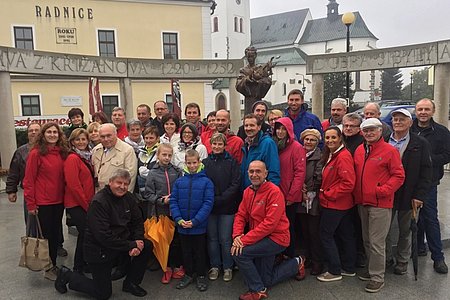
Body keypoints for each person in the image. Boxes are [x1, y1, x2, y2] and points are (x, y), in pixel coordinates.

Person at [55, 169, 152, 299]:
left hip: (120, 243)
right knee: (103, 293)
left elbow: (137, 222)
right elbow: (103, 236)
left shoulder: (129, 198)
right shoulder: (99, 202)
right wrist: (131, 244)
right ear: (110, 182)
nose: (122, 187)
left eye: (125, 184)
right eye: (119, 183)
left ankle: (131, 283)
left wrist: (138, 242)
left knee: (146, 245)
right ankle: (67, 275)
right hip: (99, 250)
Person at [232, 161, 305, 300]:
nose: (254, 174)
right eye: (251, 171)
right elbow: (241, 215)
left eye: (258, 171)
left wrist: (243, 240)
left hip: (276, 239)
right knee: (266, 280)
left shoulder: (274, 192)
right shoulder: (248, 191)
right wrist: (237, 235)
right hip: (259, 238)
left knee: (240, 253)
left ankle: (257, 290)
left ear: (266, 173)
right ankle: (296, 263)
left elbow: (269, 224)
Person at [353, 118, 405, 293]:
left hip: (380, 204)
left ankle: (377, 277)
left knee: (377, 242)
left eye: (372, 130)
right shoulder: (360, 150)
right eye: (366, 130)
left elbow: (399, 175)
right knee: (367, 240)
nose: (368, 133)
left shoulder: (390, 151)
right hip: (362, 202)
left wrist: (383, 190)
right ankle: (371, 269)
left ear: (380, 131)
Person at [385, 108, 432, 275]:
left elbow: (427, 171)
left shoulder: (419, 143)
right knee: (384, 230)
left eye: (402, 119)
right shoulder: (384, 140)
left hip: (409, 193)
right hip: (387, 194)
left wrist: (420, 195)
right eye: (395, 119)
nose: (397, 122)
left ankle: (403, 260)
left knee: (406, 230)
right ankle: (387, 258)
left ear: (410, 123)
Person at [23, 122, 69, 280]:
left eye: (55, 132)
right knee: (46, 236)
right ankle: (48, 267)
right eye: (49, 132)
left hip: (59, 201)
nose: (52, 135)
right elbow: (28, 180)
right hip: (43, 202)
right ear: (43, 134)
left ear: (59, 134)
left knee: (55, 234)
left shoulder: (62, 152)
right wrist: (31, 204)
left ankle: (52, 264)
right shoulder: (36, 153)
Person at [411, 98, 449, 274]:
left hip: (429, 182)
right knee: (410, 218)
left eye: (427, 109)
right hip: (408, 181)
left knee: (430, 218)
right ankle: (418, 247)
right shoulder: (409, 128)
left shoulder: (441, 132)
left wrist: (427, 161)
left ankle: (438, 257)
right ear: (415, 111)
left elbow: (447, 154)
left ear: (433, 111)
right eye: (420, 109)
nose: (423, 112)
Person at [170, 149, 214, 291]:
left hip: (198, 225)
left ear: (199, 162)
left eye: (194, 162)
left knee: (199, 251)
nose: (192, 166)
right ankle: (189, 273)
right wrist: (178, 219)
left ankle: (201, 275)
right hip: (182, 224)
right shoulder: (179, 181)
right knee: (186, 251)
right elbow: (174, 201)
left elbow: (208, 203)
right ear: (185, 163)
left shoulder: (206, 182)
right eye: (189, 163)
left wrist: (195, 221)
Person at [316, 127, 356, 282]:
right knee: (346, 235)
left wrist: (328, 194)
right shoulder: (333, 154)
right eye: (327, 138)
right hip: (341, 204)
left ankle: (334, 270)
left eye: (333, 137)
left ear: (340, 138)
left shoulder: (343, 157)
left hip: (335, 204)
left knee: (325, 235)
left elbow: (348, 183)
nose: (330, 141)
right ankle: (349, 267)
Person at [143, 143, 184, 283]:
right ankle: (166, 268)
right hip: (161, 212)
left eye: (169, 155)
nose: (167, 158)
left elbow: (181, 188)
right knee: (164, 241)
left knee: (176, 241)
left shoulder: (177, 171)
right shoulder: (153, 173)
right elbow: (148, 194)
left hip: (176, 212)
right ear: (158, 155)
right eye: (164, 155)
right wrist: (161, 200)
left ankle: (177, 265)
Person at [203, 133, 242, 282]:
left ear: (225, 146)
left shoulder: (232, 162)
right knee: (212, 238)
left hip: (227, 206)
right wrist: (210, 199)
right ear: (211, 145)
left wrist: (222, 198)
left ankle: (228, 266)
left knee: (225, 239)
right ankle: (215, 266)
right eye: (214, 144)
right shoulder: (205, 163)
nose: (217, 147)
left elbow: (235, 184)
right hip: (210, 206)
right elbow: (203, 182)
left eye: (220, 144)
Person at [273, 117, 306, 258]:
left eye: (283, 129)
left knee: (288, 226)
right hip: (277, 193)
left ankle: (290, 255)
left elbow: (300, 173)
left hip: (289, 195)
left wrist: (292, 196)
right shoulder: (276, 145)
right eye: (278, 129)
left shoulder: (296, 147)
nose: (280, 132)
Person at [63, 128, 95, 274]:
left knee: (84, 234)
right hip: (77, 204)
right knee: (85, 233)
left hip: (84, 202)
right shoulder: (73, 158)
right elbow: (74, 185)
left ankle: (81, 263)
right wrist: (86, 205)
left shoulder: (86, 156)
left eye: (83, 139)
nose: (81, 142)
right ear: (72, 142)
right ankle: (78, 267)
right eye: (78, 140)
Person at [298, 129, 323, 275]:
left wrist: (309, 190)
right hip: (300, 196)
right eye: (306, 139)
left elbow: (319, 176)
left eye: (312, 140)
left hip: (313, 198)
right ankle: (307, 257)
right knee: (304, 230)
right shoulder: (299, 153)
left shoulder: (319, 156)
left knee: (314, 232)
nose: (308, 142)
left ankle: (317, 261)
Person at [6, 123, 41, 230]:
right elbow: (14, 172)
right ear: (27, 133)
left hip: (48, 192)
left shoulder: (49, 148)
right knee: (32, 222)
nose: (33, 132)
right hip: (29, 192)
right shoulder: (21, 151)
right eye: (31, 130)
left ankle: (57, 245)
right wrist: (11, 190)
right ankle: (34, 244)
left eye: (36, 130)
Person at [92, 123, 137, 192]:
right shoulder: (96, 150)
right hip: (98, 195)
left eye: (109, 136)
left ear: (115, 134)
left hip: (117, 196)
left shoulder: (127, 150)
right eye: (102, 137)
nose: (106, 139)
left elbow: (130, 177)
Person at [240, 113, 280, 189]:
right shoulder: (246, 144)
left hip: (262, 192)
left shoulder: (268, 143)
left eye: (252, 125)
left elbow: (273, 171)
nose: (248, 128)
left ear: (259, 127)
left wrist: (269, 193)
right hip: (248, 192)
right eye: (246, 125)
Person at [235, 46, 274, 114]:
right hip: (248, 100)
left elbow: (268, 81)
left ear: (255, 56)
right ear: (246, 56)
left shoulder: (260, 68)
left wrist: (259, 81)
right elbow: (238, 85)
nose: (250, 58)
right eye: (249, 56)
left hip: (258, 98)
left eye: (252, 56)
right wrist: (249, 79)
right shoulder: (243, 70)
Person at [136, 126, 160, 205]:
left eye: (151, 138)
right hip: (141, 193)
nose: (148, 140)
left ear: (157, 138)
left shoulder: (161, 152)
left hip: (155, 192)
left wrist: (149, 173)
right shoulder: (140, 152)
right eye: (146, 138)